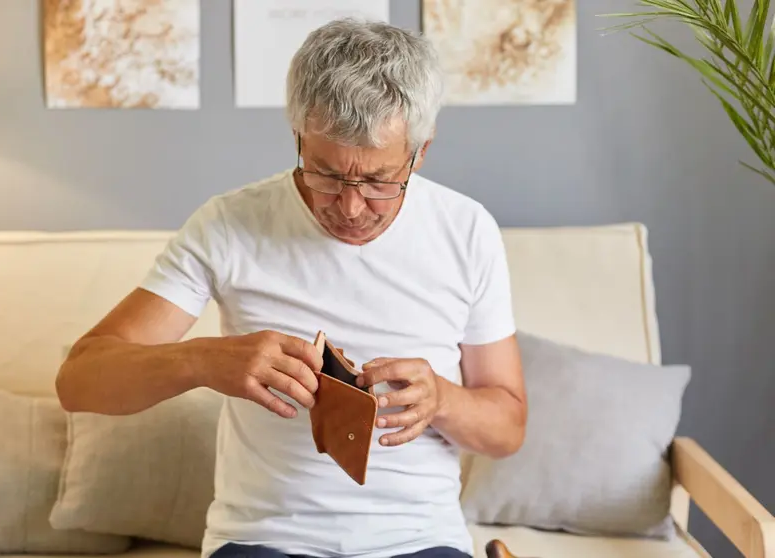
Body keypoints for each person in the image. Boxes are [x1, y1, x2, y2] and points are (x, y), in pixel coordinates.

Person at [55, 18, 527, 558]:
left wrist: (443, 400)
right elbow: (79, 382)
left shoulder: (467, 231)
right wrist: (204, 361)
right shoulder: (228, 225)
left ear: (420, 152)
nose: (350, 208)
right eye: (325, 173)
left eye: (377, 181)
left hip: (419, 542)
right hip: (265, 540)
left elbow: (507, 428)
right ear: (299, 136)